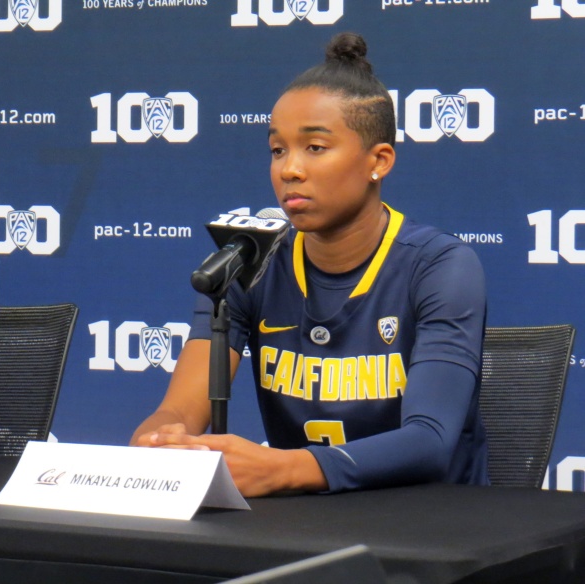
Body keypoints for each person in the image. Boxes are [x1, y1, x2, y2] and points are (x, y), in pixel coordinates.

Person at [131, 32, 489, 496]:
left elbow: (429, 441)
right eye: (278, 150)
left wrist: (283, 469)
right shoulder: (247, 261)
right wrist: (160, 438)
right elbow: (180, 409)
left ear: (378, 161)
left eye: (315, 148)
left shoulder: (440, 266)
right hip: (305, 521)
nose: (289, 169)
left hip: (428, 523)